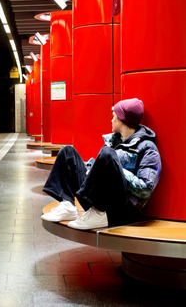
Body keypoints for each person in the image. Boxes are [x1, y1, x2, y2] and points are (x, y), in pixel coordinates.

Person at [41, 98, 162, 230]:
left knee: (107, 154)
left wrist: (118, 170)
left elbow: (145, 190)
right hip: (101, 200)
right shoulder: (114, 140)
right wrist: (92, 169)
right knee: (67, 152)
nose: (111, 120)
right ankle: (68, 204)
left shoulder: (148, 148)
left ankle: (98, 213)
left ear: (122, 120)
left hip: (122, 208)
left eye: (114, 116)